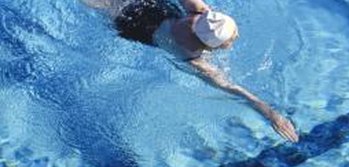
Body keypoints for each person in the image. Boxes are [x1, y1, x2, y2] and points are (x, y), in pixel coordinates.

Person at [81, 0, 299, 142]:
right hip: (132, 24)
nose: (235, 38)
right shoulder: (190, 55)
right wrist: (269, 113)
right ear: (209, 46)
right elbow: (228, 86)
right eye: (231, 38)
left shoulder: (200, 12)